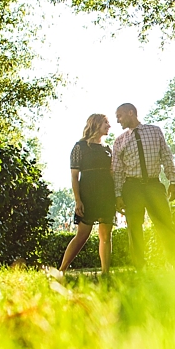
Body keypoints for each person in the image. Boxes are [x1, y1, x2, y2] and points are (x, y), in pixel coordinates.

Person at [111, 102, 175, 268]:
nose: (118, 121)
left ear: (131, 113)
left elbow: (166, 156)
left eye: (119, 116)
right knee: (134, 228)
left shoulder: (155, 131)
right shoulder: (119, 141)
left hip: (154, 185)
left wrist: (172, 181)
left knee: (165, 224)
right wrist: (118, 195)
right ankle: (140, 267)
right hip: (132, 187)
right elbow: (117, 170)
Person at [59, 113, 116, 274]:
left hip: (106, 193)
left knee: (106, 234)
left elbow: (112, 172)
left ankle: (105, 272)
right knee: (82, 234)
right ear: (96, 124)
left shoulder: (107, 148)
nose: (109, 126)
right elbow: (74, 176)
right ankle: (62, 269)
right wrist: (78, 200)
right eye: (106, 123)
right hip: (88, 193)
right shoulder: (80, 147)